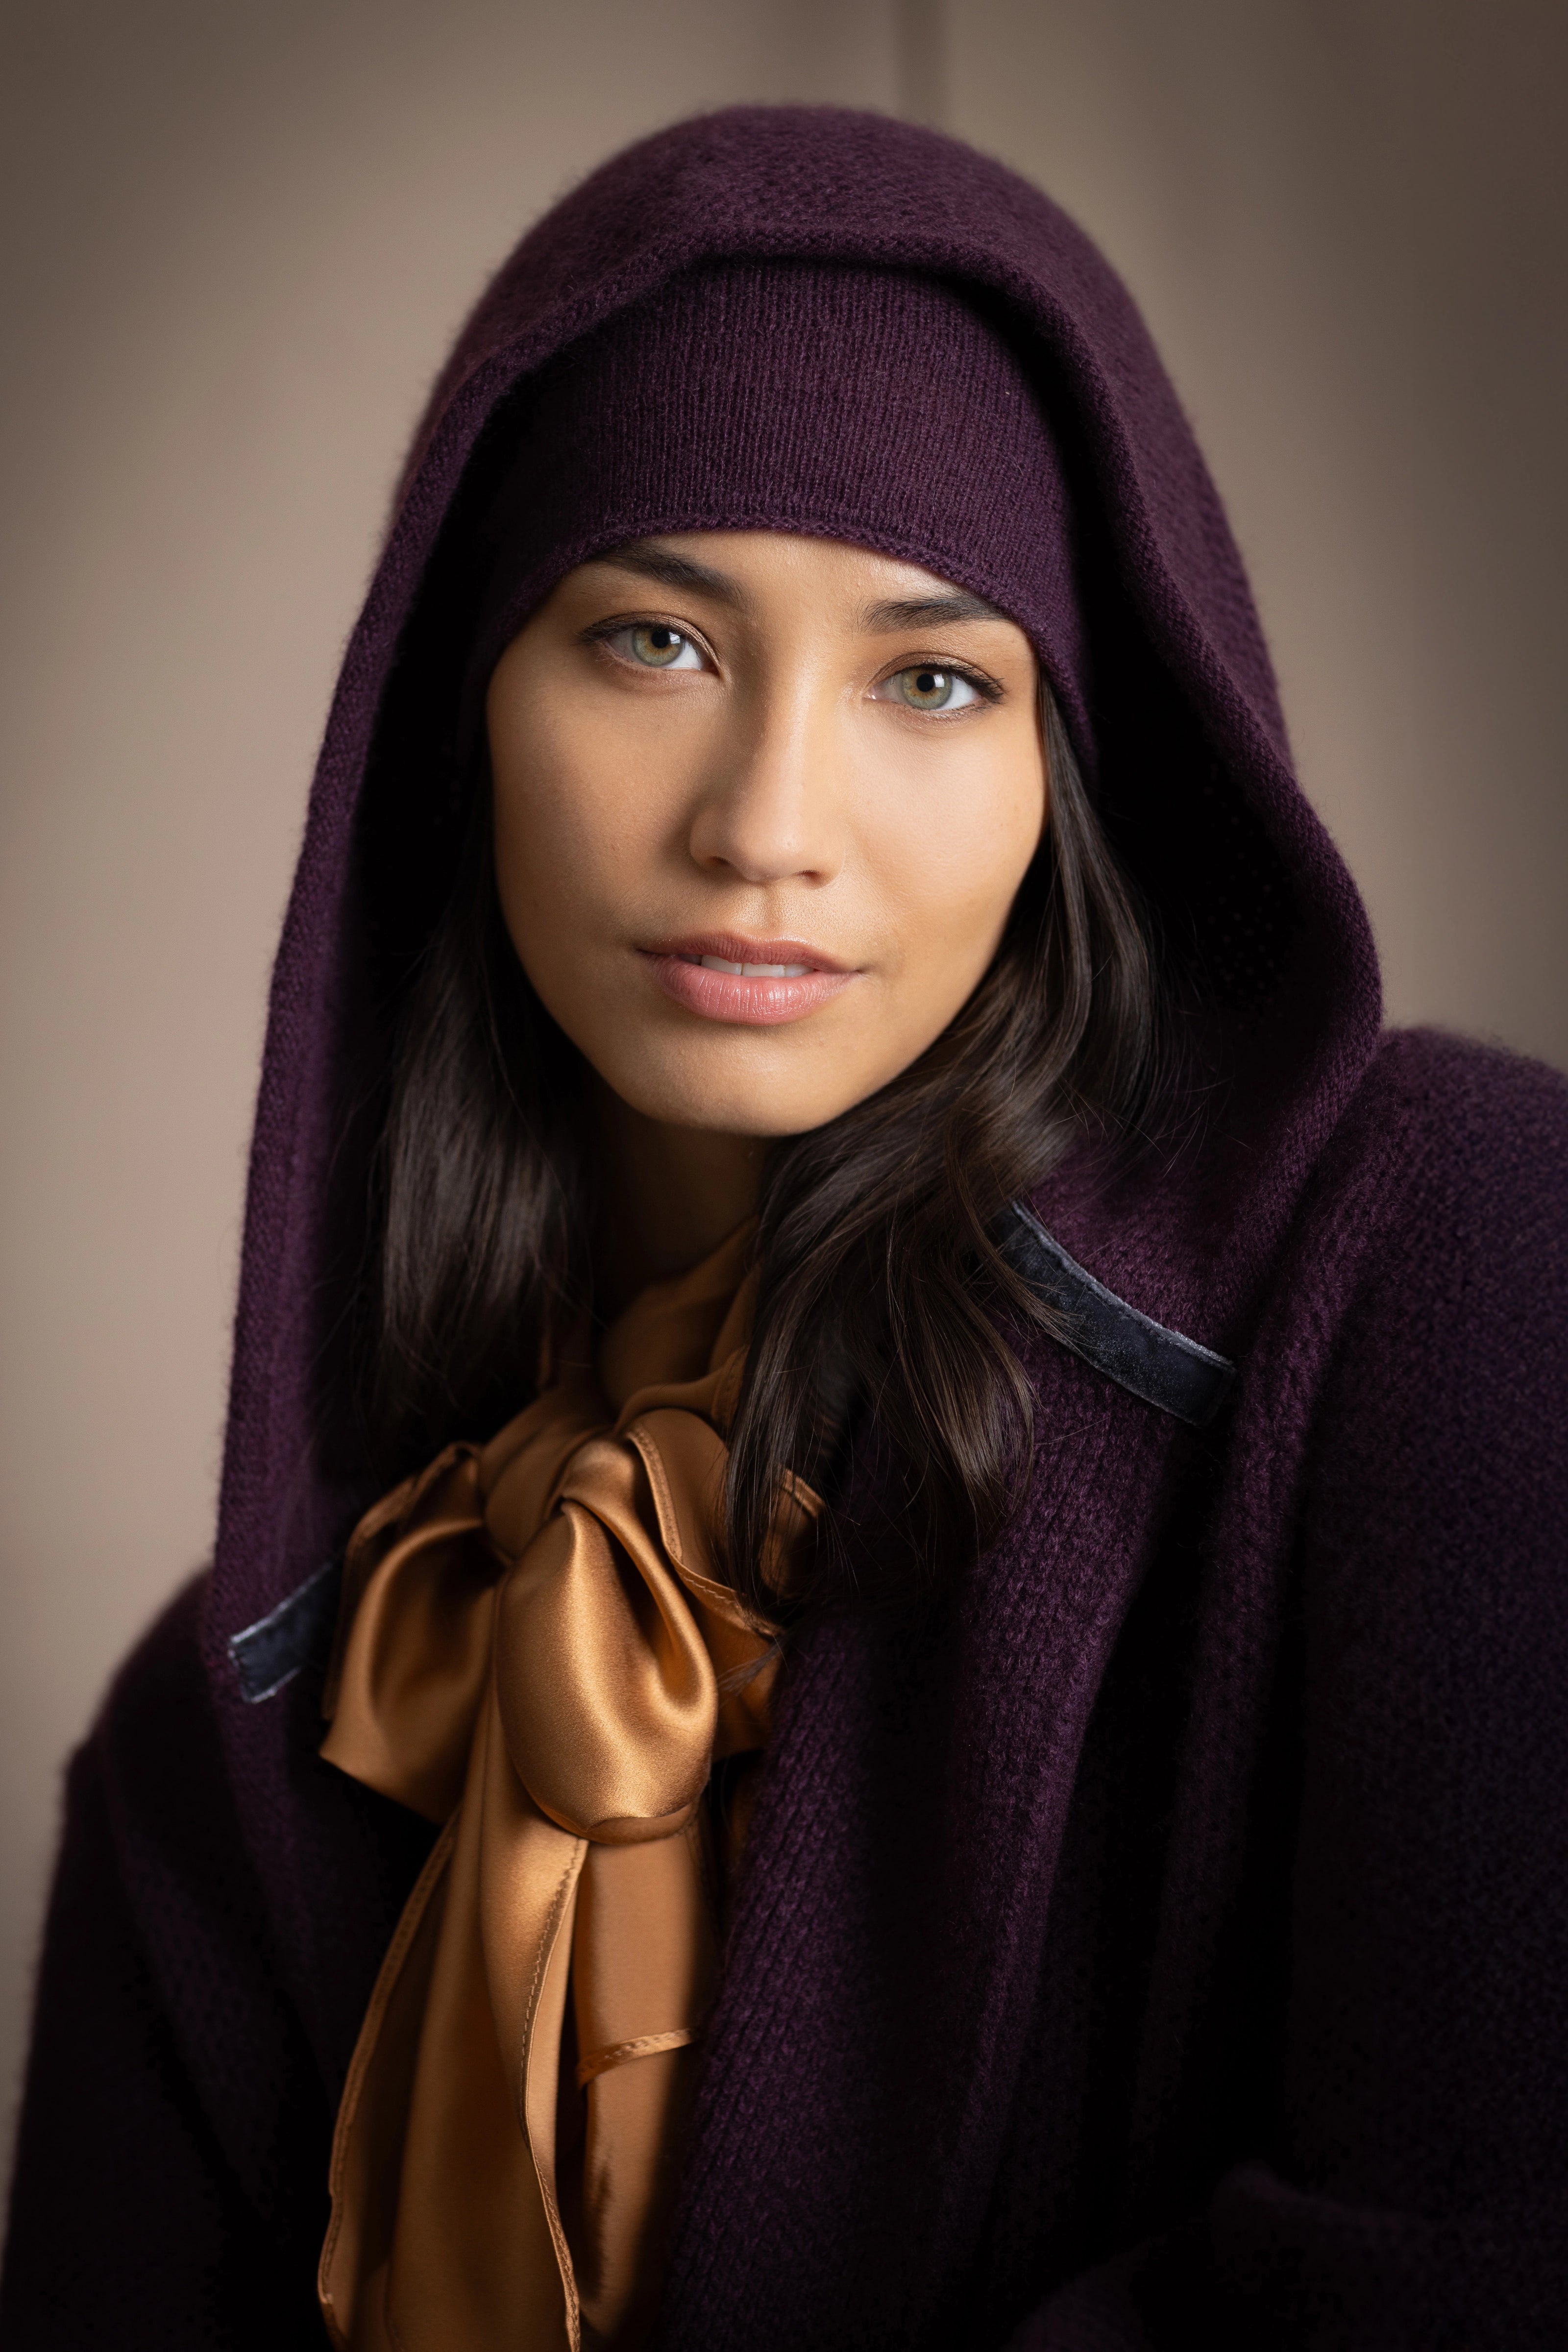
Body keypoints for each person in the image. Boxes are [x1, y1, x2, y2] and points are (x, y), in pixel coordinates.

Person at [3, 104, 1565, 2352]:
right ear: (462, 713)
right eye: (650, 641)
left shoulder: (1455, 1273)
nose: (765, 826)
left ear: (1072, 777)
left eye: (933, 679)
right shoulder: (224, 1741)